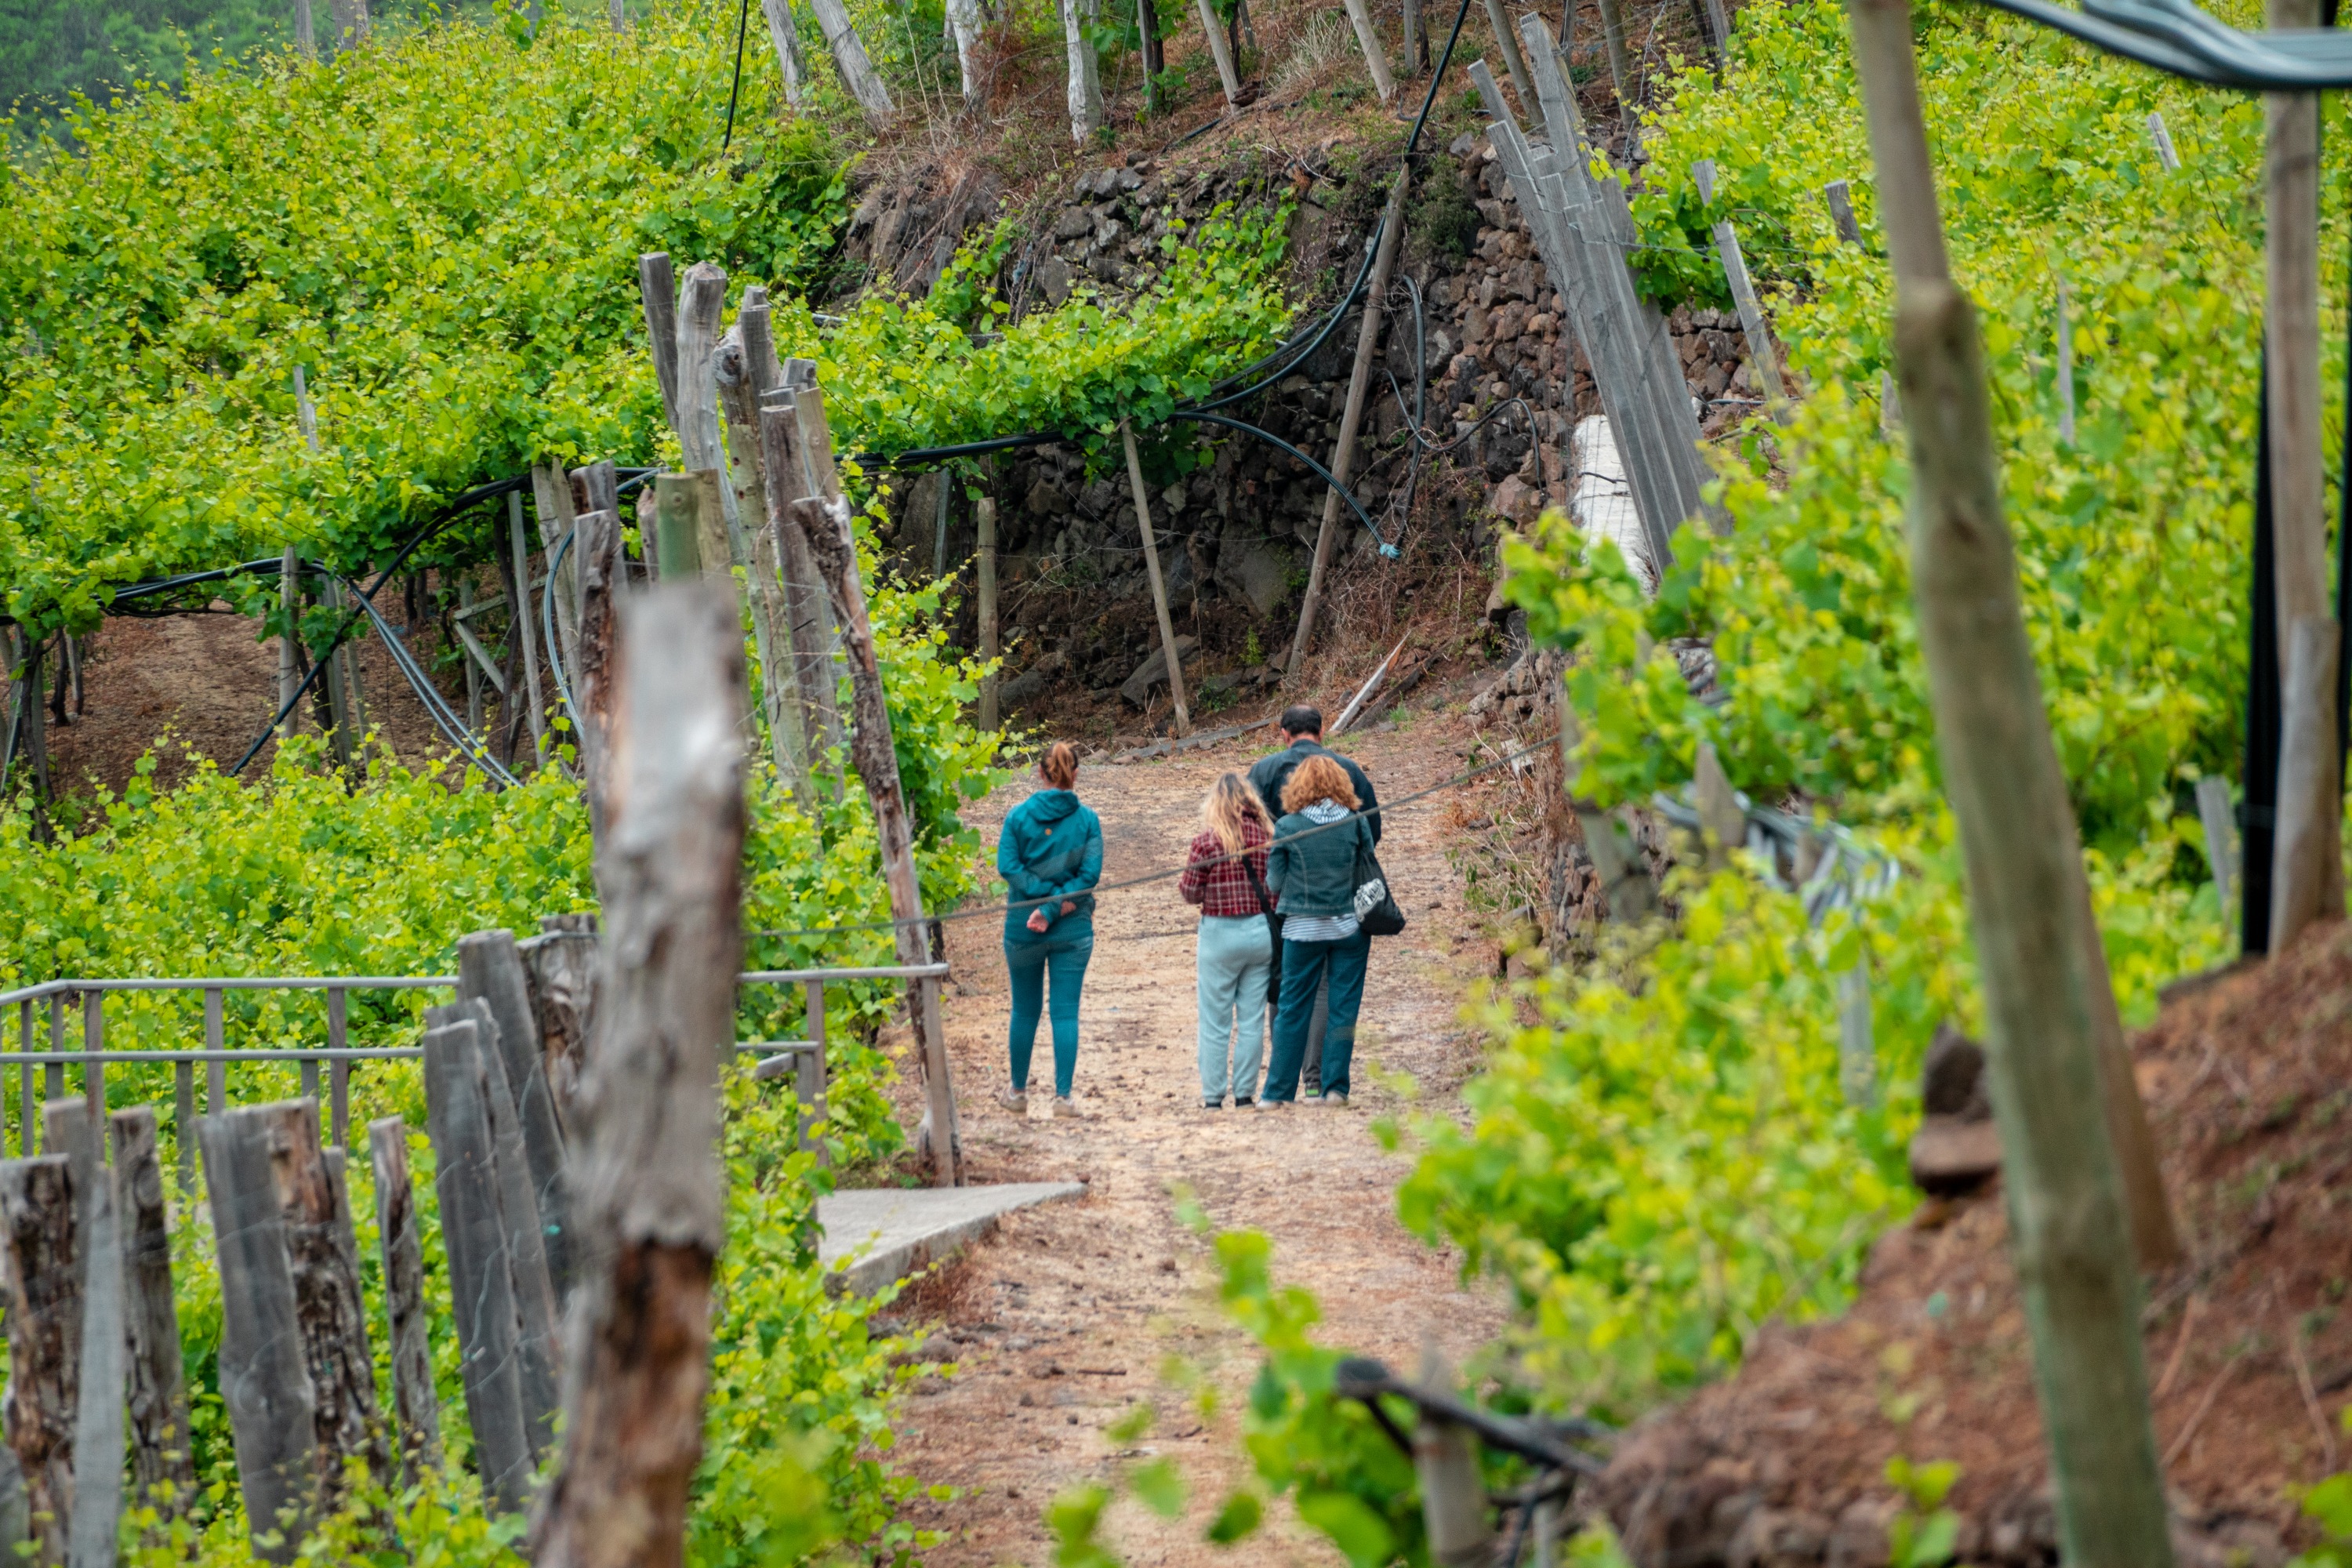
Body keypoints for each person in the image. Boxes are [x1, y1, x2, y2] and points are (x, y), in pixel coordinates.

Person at [1247, 706, 1380, 1092]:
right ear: (1322, 731)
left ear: (1283, 732)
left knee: (1285, 989)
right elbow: (1372, 832)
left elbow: (1245, 828)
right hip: (1343, 904)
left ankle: (1281, 1081)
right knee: (1330, 992)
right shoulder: (1349, 770)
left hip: (1283, 902)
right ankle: (1318, 1078)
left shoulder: (1264, 771)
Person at [996, 741, 1103, 1116]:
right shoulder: (1088, 820)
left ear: (1040, 773)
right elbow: (1088, 876)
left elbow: (1009, 868)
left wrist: (1041, 905)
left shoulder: (1017, 817)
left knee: (1024, 1011)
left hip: (1023, 927)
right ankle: (1063, 1097)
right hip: (1072, 930)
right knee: (1065, 1012)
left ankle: (1018, 1091)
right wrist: (1055, 906)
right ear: (1075, 776)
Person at [1179, 772, 1276, 1109]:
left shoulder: (1206, 842)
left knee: (1215, 1020)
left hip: (1219, 933)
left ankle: (1213, 1096)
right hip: (1259, 931)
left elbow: (1190, 894)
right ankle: (1246, 1093)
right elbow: (1276, 889)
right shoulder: (1267, 836)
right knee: (1252, 1019)